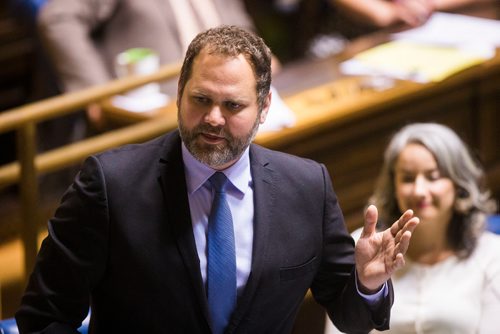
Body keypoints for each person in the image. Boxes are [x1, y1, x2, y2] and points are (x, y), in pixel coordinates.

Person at [16, 26, 419, 333]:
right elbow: (44, 317)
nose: (213, 118)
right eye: (201, 99)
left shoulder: (307, 188)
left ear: (264, 108)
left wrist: (366, 284)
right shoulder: (110, 185)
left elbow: (351, 317)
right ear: (179, 93)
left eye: (232, 105)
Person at [326, 122, 500, 333]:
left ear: (458, 183)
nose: (419, 190)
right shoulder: (365, 248)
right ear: (394, 186)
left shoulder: (492, 255)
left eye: (433, 177)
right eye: (407, 178)